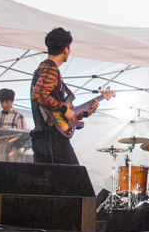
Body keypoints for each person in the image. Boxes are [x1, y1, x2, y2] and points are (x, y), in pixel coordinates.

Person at [29, 27, 98, 165]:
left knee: (46, 179)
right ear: (66, 49)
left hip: (43, 139)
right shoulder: (50, 69)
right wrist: (65, 109)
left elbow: (55, 112)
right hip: (53, 140)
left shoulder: (44, 68)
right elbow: (39, 95)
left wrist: (84, 113)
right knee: (75, 176)